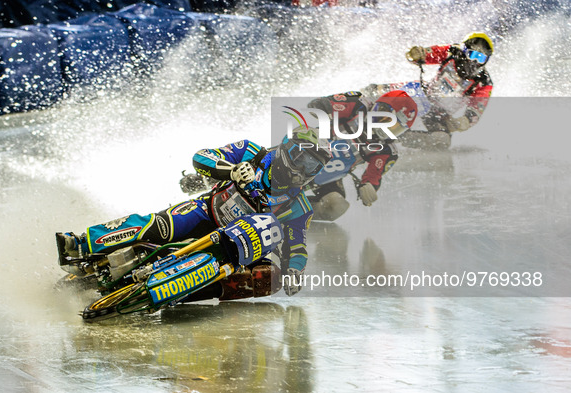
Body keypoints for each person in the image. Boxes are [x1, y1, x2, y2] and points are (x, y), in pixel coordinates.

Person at [56, 129, 331, 297]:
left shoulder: (299, 207)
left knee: (267, 278)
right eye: (304, 160)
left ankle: (184, 294)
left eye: (313, 168)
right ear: (289, 150)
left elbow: (297, 246)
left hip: (236, 247)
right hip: (206, 213)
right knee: (158, 224)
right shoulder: (252, 151)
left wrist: (296, 271)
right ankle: (83, 242)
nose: (304, 171)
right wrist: (231, 170)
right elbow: (202, 156)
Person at [364, 32, 493, 149]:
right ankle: (359, 105)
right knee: (377, 90)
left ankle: (398, 138)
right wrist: (418, 54)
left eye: (481, 58)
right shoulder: (452, 52)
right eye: (472, 55)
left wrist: (463, 122)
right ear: (463, 50)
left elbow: (477, 108)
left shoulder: (483, 82)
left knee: (441, 141)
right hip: (422, 94)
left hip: (440, 114)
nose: (474, 61)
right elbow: (431, 53)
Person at [306, 90, 418, 221]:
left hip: (329, 176)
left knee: (335, 206)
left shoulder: (387, 151)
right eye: (386, 119)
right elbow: (321, 104)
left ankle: (293, 215)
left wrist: (368, 187)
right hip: (307, 150)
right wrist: (323, 109)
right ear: (377, 108)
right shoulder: (358, 103)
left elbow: (373, 177)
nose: (385, 128)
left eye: (395, 128)